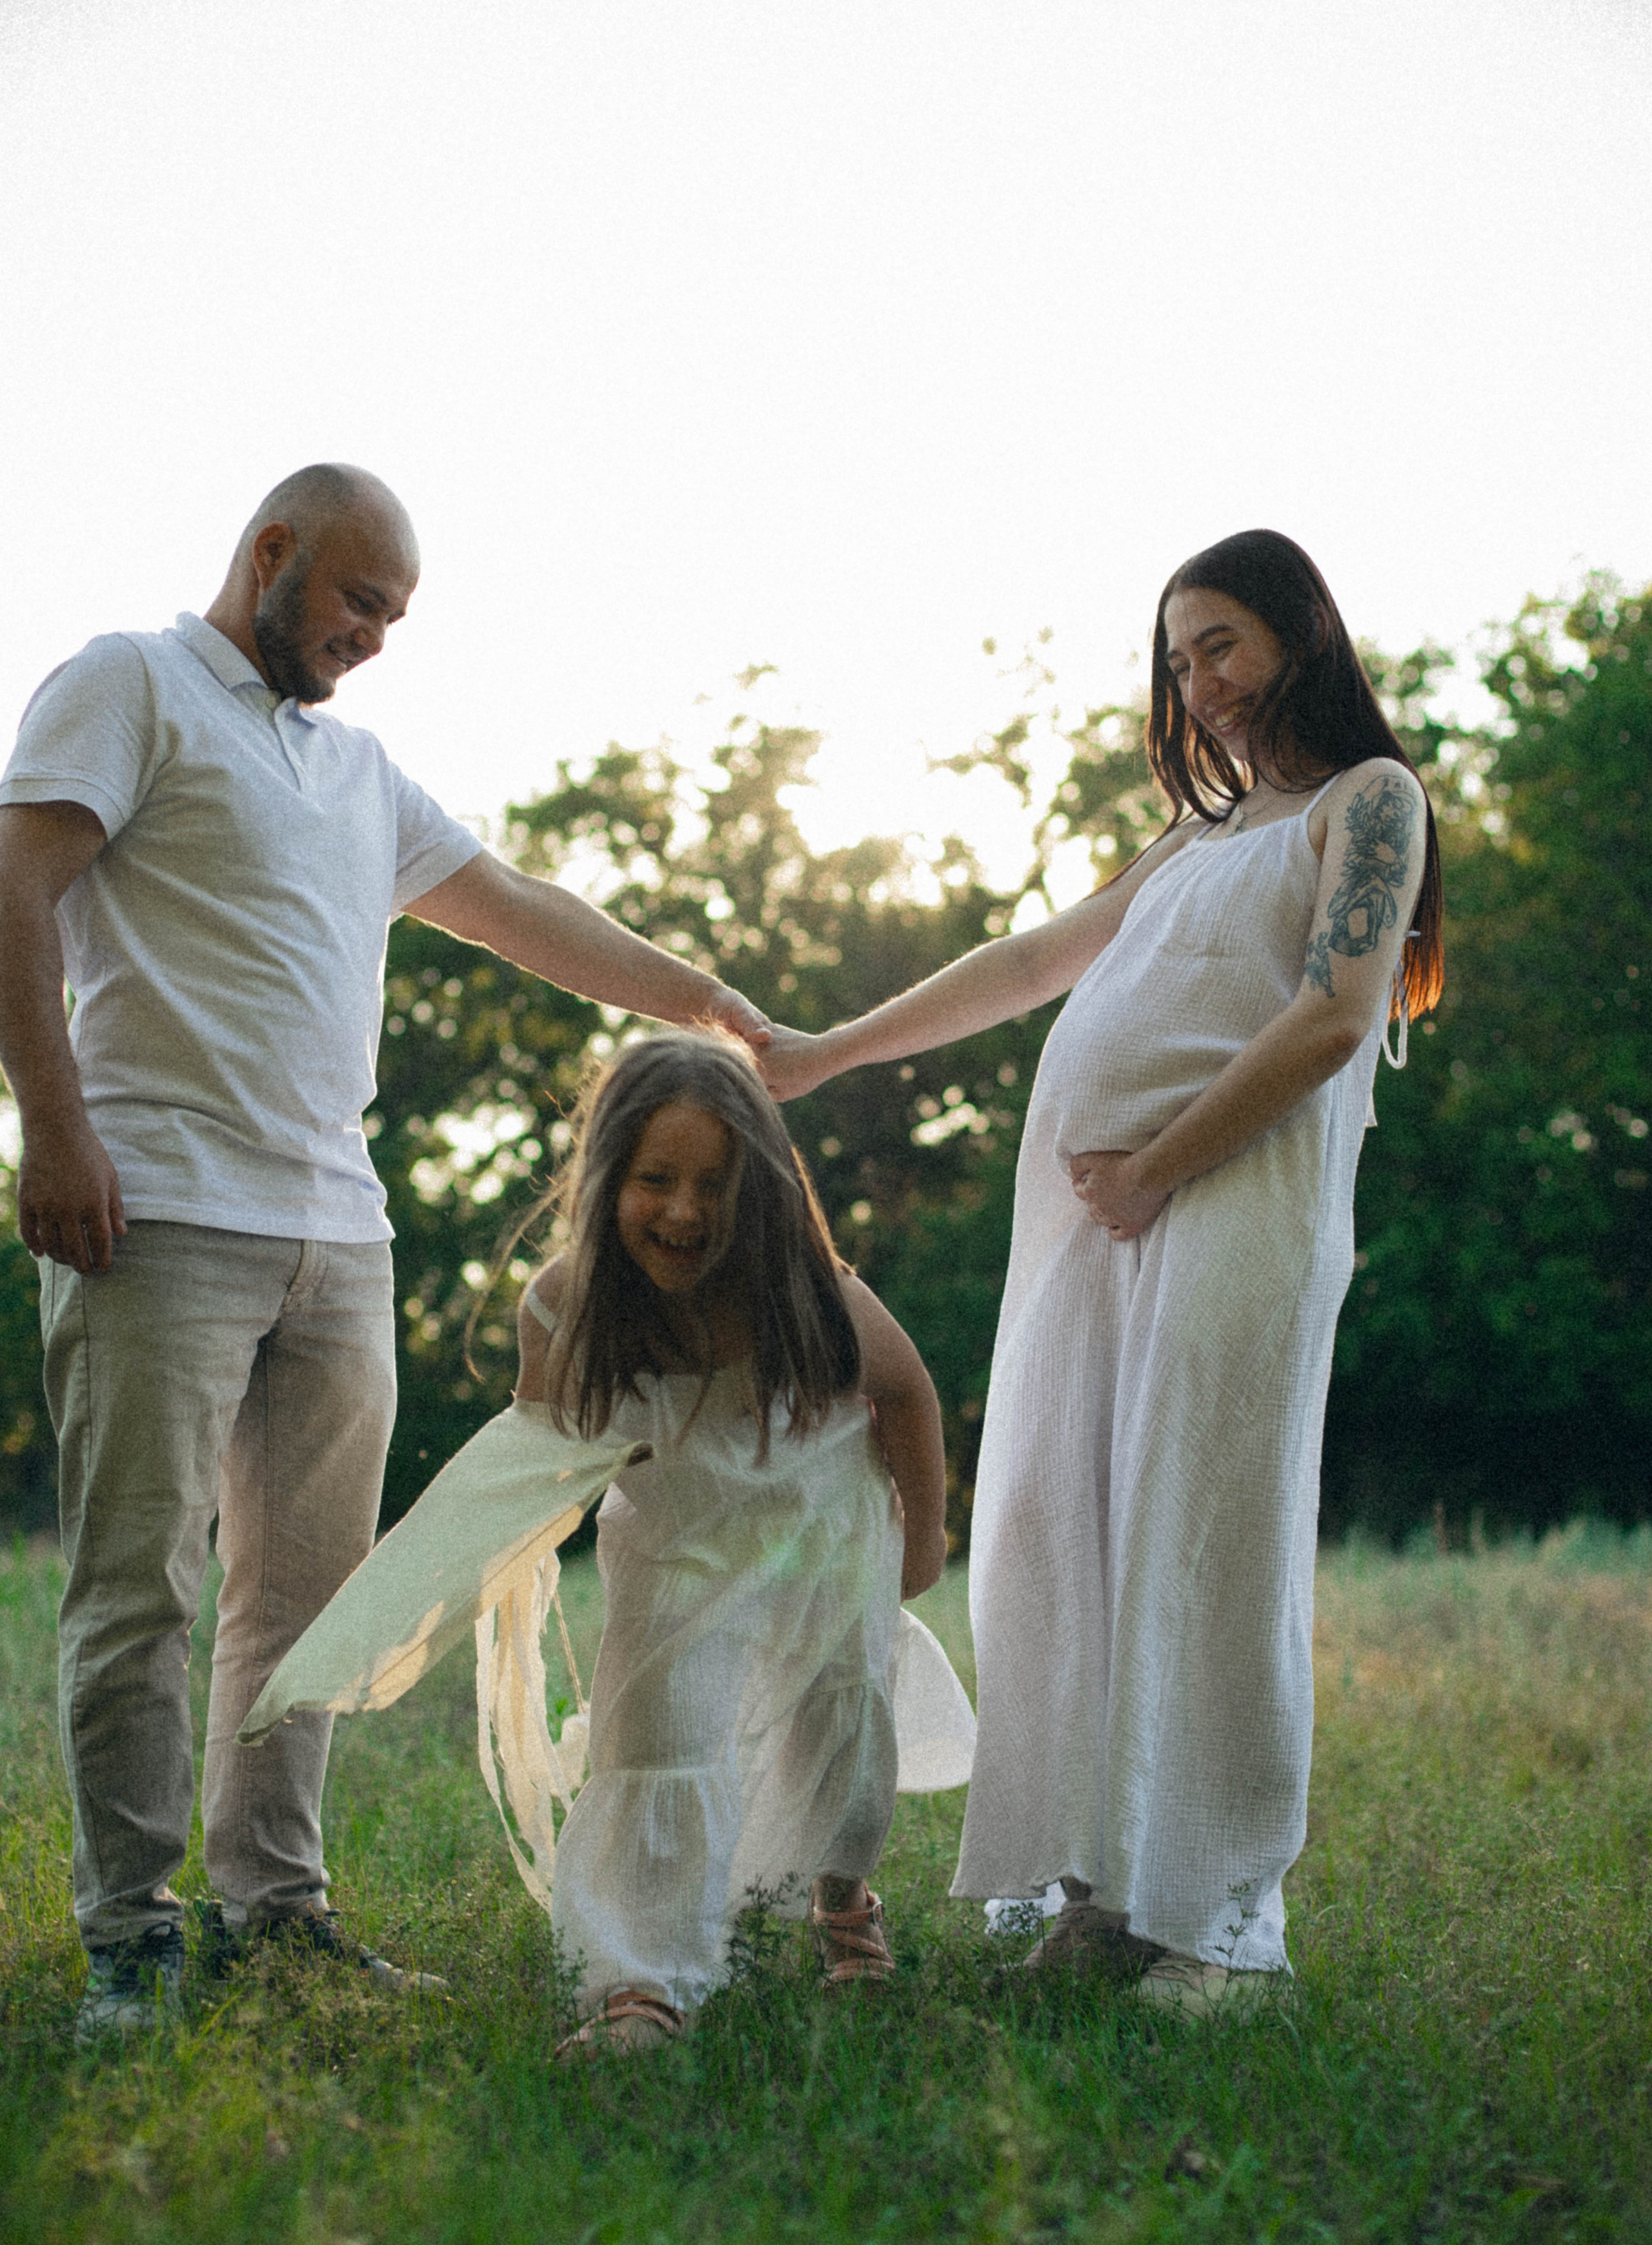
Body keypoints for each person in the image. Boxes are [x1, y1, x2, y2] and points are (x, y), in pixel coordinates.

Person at [0, 464, 770, 2047]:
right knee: (141, 1586)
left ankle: (273, 1910)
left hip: (338, 1237)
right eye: (358, 600)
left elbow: (520, 910)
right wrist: (54, 1134)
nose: (373, 637)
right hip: (152, 1211)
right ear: (271, 554)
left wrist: (716, 1010)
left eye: (396, 616)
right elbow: (13, 881)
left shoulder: (356, 771)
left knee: (306, 1604)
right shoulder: (129, 681)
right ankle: (132, 1940)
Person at [761, 529, 1442, 2015]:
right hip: (1091, 1230)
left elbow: (1331, 1017)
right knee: (1055, 1525)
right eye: (1177, 657)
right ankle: (1096, 1882)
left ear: (1297, 637)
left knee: (1197, 1525)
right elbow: (1023, 965)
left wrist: (1153, 1167)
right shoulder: (1193, 840)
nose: (1197, 683)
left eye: (1220, 645)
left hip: (1224, 1204)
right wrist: (825, 1052)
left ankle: (1215, 1924)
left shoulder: (1364, 803)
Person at [516, 1030, 951, 2051]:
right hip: (678, 1548)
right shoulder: (561, 1303)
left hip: (824, 1534)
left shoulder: (815, 1296)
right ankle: (643, 1980)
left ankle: (843, 1897)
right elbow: (541, 1447)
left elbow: (908, 1393)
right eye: (654, 1179)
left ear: (759, 1190)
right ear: (605, 1178)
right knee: (660, 1734)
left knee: (844, 1727)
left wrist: (922, 1537)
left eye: (713, 1183)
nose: (682, 1210)